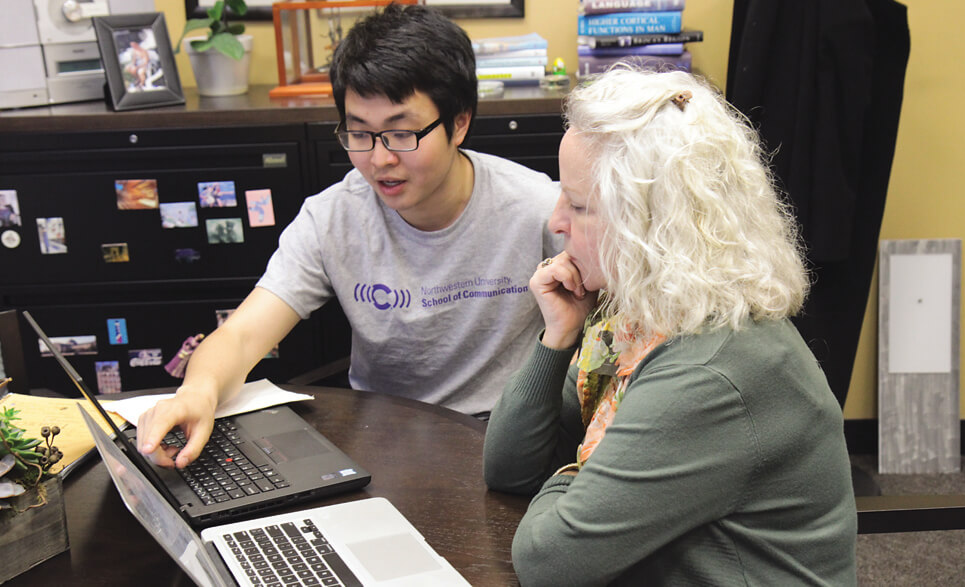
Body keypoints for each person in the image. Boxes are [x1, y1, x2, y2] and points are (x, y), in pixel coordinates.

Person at [137, 4, 560, 469]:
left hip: (499, 443)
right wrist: (196, 392)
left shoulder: (538, 209)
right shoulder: (332, 217)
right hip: (383, 442)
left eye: (401, 134)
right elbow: (241, 335)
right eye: (359, 134)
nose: (379, 161)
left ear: (459, 122)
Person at [483, 67, 857, 586]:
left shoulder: (710, 372)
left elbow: (550, 563)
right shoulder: (640, 317)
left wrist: (581, 473)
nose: (555, 221)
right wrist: (557, 339)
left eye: (580, 205)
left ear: (649, 222)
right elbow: (508, 470)